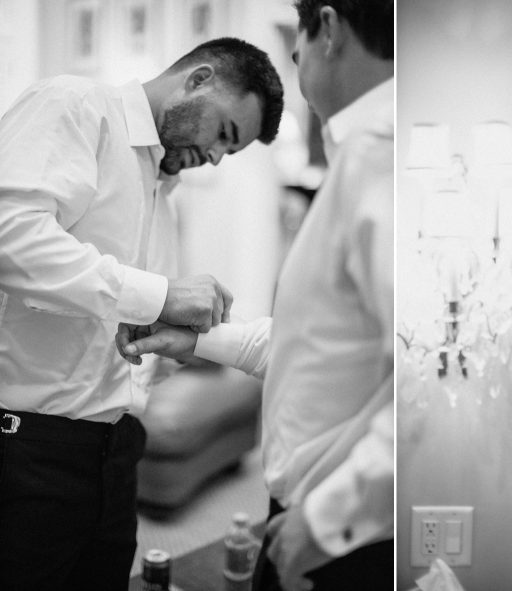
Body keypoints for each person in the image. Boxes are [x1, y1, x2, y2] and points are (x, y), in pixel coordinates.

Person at [118, 2, 394, 590]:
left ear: (328, 29)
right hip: (310, 510)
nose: (296, 62)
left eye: (297, 46)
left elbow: (423, 373)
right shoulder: (359, 159)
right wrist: (193, 337)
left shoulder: (381, 156)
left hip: (337, 525)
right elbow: (304, 344)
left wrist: (326, 521)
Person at [0, 37, 283, 590]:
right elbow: (10, 236)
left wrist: (163, 350)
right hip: (29, 448)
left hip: (117, 449)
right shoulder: (76, 107)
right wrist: (157, 295)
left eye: (232, 151)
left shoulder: (162, 194)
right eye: (224, 134)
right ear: (198, 80)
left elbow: (114, 318)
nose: (217, 158)